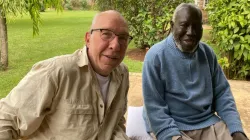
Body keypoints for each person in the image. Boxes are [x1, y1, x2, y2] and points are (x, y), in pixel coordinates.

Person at [0, 10, 132, 140]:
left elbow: (115, 123)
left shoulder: (122, 74)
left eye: (123, 38)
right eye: (106, 34)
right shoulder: (56, 72)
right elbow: (7, 118)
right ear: (88, 39)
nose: (115, 45)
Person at [142, 3, 248, 140]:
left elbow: (222, 94)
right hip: (172, 125)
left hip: (207, 122)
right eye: (184, 25)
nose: (191, 32)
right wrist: (171, 135)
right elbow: (154, 106)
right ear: (172, 25)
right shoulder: (155, 56)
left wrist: (236, 129)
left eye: (196, 26)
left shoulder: (208, 54)